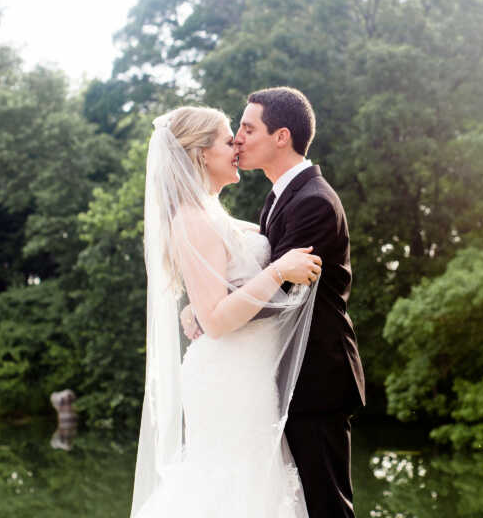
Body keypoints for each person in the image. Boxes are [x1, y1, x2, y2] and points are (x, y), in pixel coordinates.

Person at [130, 106, 323, 518]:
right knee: (233, 491)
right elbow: (217, 319)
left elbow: (213, 298)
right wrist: (277, 271)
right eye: (225, 139)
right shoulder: (193, 219)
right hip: (229, 377)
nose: (236, 144)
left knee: (252, 490)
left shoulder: (212, 215)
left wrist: (194, 311)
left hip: (248, 372)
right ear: (201, 153)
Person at [234, 87, 366, 518]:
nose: (238, 138)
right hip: (287, 376)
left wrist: (212, 311)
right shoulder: (278, 197)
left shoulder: (313, 202)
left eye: (248, 128)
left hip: (316, 379)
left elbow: (281, 300)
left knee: (327, 508)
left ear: (281, 136)